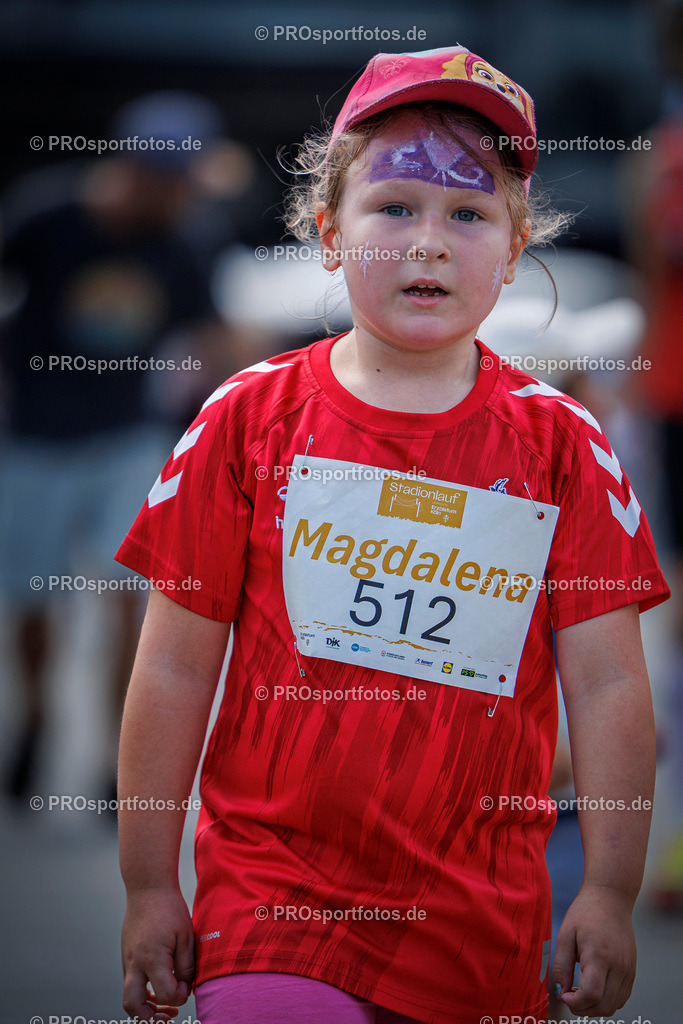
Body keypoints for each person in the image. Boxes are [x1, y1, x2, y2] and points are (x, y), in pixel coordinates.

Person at [115, 46, 669, 1024]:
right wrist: (150, 881)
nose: (427, 242)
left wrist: (608, 889)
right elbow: (169, 669)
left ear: (512, 245)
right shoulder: (245, 422)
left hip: (482, 931)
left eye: (466, 214)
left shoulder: (562, 446)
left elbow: (610, 682)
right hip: (270, 901)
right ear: (327, 233)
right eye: (393, 207)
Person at [0, 92, 221, 801]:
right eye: (176, 182)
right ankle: (34, 723)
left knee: (131, 594)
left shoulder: (185, 242)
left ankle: (112, 763)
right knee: (35, 598)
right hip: (34, 436)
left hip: (128, 440)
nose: (184, 198)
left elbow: (210, 333)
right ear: (141, 171)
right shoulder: (47, 217)